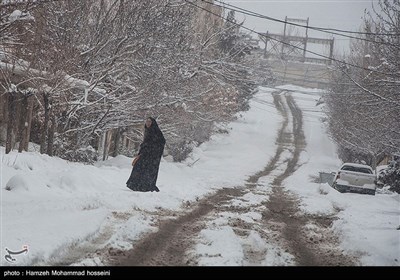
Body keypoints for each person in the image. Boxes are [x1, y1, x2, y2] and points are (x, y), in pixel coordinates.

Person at [126, 117, 166, 192]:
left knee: (148, 170)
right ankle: (137, 185)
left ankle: (146, 186)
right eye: (147, 121)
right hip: (145, 154)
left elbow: (161, 142)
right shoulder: (148, 130)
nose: (148, 123)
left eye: (149, 121)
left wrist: (152, 149)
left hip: (152, 156)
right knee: (139, 167)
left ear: (153, 123)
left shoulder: (156, 131)